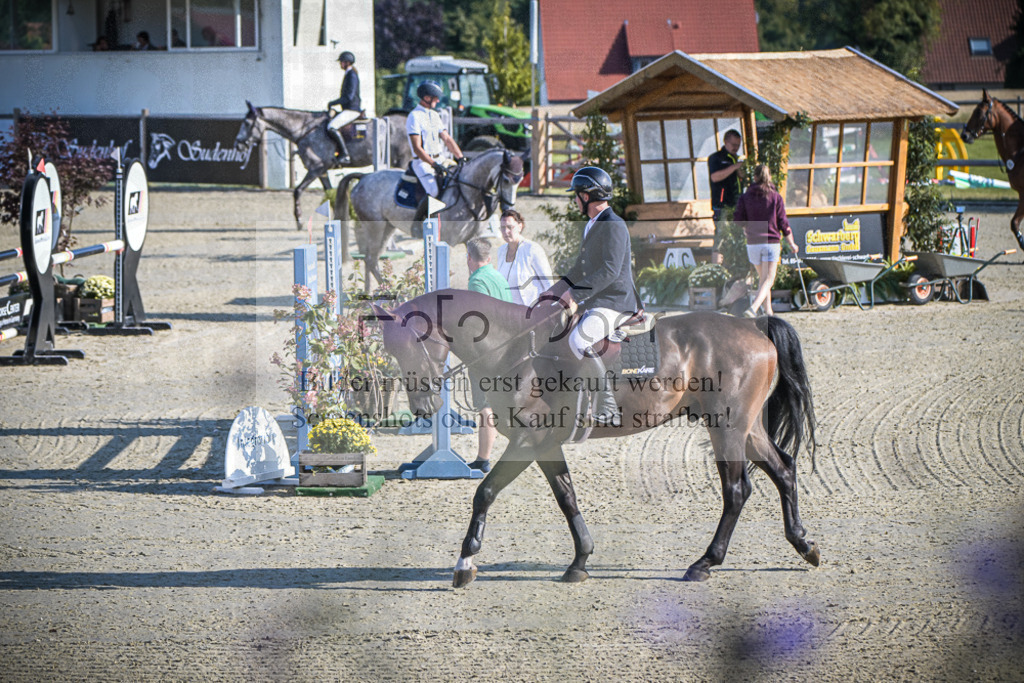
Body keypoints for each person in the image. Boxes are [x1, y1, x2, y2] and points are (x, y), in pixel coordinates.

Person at [543, 166, 640, 427]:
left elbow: (609, 271)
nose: (575, 199)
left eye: (576, 195)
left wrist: (573, 294)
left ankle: (608, 406)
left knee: (579, 340)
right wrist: (551, 293)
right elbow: (579, 269)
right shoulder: (592, 224)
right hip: (598, 300)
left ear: (587, 196)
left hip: (615, 302)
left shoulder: (614, 225)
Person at [465, 237, 513, 473]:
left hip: (487, 351)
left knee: (484, 405)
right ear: (489, 257)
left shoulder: (477, 280)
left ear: (469, 259)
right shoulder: (498, 277)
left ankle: (483, 459)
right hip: (506, 347)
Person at [734, 164, 798, 317]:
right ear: (769, 177)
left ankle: (768, 312)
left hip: (753, 243)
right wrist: (791, 243)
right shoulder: (775, 197)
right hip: (770, 242)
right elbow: (783, 223)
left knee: (763, 279)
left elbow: (738, 219)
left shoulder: (745, 197)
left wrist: (745, 226)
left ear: (755, 177)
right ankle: (754, 308)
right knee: (769, 279)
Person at [406, 80, 464, 203]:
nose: (438, 101)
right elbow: (417, 148)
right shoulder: (414, 116)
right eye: (435, 98)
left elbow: (447, 139)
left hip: (440, 159)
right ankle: (423, 219)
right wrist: (433, 164)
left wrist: (460, 157)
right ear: (427, 98)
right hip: (423, 163)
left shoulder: (435, 115)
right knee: (434, 191)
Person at [495, 209, 553, 306]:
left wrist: (547, 307)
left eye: (510, 227)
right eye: (502, 227)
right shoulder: (500, 251)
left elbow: (548, 282)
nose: (506, 231)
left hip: (532, 310)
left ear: (519, 226)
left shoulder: (532, 249)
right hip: (508, 311)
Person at [707, 129, 744, 264]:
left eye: (738, 145)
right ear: (725, 142)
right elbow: (715, 177)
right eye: (733, 144)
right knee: (721, 238)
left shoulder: (736, 158)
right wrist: (734, 167)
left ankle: (734, 267)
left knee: (738, 237)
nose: (735, 148)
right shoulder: (716, 158)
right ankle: (716, 268)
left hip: (738, 205)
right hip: (723, 205)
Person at [326, 51, 361, 164]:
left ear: (347, 62)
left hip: (352, 110)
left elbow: (349, 97)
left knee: (331, 127)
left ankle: (344, 154)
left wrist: (333, 102)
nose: (340, 64)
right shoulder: (348, 74)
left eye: (341, 62)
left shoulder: (352, 75)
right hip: (347, 109)